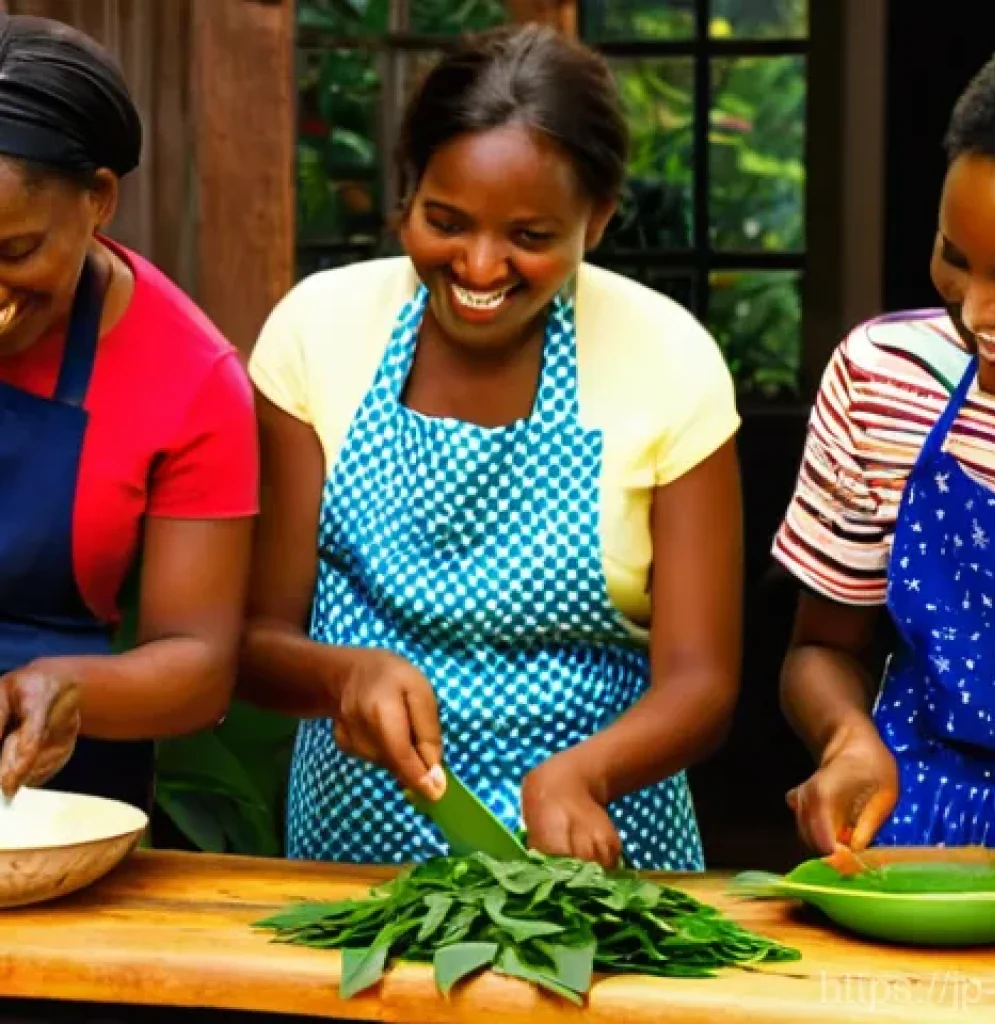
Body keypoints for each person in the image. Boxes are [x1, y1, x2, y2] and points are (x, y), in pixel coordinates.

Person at [241, 25, 742, 871]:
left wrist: (584, 776)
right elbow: (252, 640)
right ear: (407, 197)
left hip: (598, 850)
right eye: (446, 221)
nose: (479, 265)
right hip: (360, 852)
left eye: (531, 236)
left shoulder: (668, 358)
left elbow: (702, 682)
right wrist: (345, 677)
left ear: (599, 219)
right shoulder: (319, 332)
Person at [775, 38, 995, 864]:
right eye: (956, 262)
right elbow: (821, 648)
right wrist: (847, 740)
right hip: (912, 841)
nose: (981, 315)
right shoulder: (885, 380)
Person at [0, 15, 258, 810]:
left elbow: (198, 669)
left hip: (54, 790)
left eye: (16, 254)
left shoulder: (190, 378)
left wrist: (57, 687)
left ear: (100, 198)